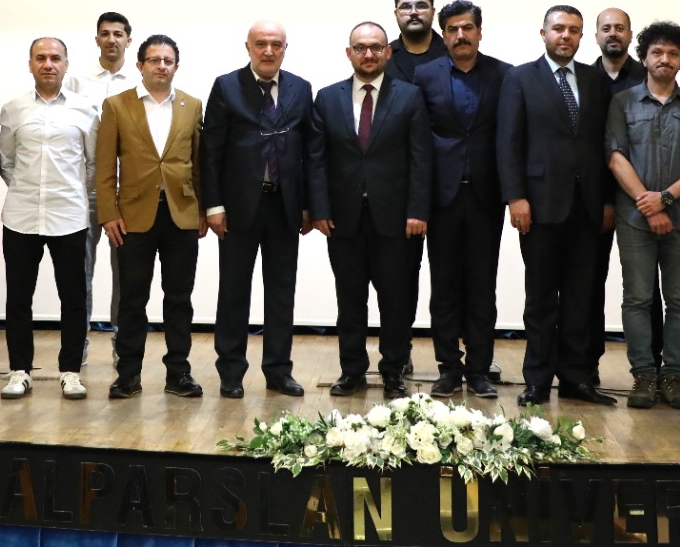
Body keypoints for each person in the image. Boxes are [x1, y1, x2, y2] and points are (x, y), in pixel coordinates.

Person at [497, 5, 615, 406]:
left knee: (582, 298)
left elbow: (604, 144)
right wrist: (516, 197)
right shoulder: (520, 78)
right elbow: (508, 142)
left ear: (582, 37)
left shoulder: (595, 80)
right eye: (559, 29)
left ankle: (576, 379)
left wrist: (608, 200)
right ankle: (537, 380)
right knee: (542, 298)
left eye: (574, 30)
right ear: (543, 33)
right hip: (540, 205)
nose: (566, 36)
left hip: (588, 208)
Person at [308, 22, 431, 399]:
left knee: (395, 300)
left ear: (388, 52)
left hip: (396, 219)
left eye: (376, 47)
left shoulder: (409, 96)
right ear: (349, 53)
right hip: (343, 219)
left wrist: (418, 210)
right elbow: (316, 160)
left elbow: (421, 158)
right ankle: (352, 370)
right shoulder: (327, 98)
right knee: (349, 299)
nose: (369, 54)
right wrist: (319, 209)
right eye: (360, 48)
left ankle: (393, 371)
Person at [201, 20, 314, 398]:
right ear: (248, 47)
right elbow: (211, 151)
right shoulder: (226, 86)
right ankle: (231, 372)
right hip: (237, 209)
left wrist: (307, 205)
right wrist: (213, 205)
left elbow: (309, 152)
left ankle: (279, 371)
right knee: (234, 292)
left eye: (276, 44)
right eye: (261, 44)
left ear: (285, 48)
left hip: (285, 207)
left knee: (281, 293)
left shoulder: (301, 88)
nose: (268, 51)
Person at [605, 22, 680, 410]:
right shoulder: (622, 103)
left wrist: (665, 199)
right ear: (644, 58)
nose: (664, 59)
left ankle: (674, 376)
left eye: (672, 54)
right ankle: (644, 375)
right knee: (637, 299)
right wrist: (647, 204)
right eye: (657, 52)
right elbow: (615, 158)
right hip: (634, 220)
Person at [96, 34, 205, 399]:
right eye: (154, 60)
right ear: (140, 65)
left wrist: (202, 210)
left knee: (179, 299)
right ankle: (128, 375)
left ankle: (179, 374)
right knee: (132, 299)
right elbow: (105, 166)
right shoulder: (116, 105)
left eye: (168, 60)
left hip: (181, 215)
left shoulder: (192, 105)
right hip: (131, 217)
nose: (161, 66)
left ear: (176, 66)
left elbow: (199, 163)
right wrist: (108, 213)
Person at [411, 0, 510, 399]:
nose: (460, 35)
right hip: (443, 197)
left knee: (483, 287)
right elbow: (418, 142)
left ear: (479, 32)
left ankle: (480, 369)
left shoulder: (503, 74)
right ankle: (449, 368)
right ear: (444, 34)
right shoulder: (425, 75)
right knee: (445, 287)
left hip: (487, 196)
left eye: (467, 28)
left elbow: (509, 137)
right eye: (452, 29)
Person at [0, 37, 98, 400]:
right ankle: (19, 371)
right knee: (18, 298)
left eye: (56, 58)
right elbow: (6, 161)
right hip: (21, 215)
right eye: (40, 57)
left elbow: (92, 164)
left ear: (66, 64)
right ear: (30, 64)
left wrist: (70, 191)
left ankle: (70, 371)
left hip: (69, 215)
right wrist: (26, 188)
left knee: (73, 298)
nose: (48, 64)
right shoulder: (13, 109)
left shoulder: (86, 110)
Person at [589, 7, 655, 386]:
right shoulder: (584, 79)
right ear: (596, 36)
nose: (612, 33)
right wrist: (604, 201)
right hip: (595, 201)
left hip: (643, 199)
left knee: (645, 288)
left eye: (619, 28)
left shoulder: (649, 76)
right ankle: (588, 364)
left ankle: (652, 367)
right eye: (606, 28)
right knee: (589, 284)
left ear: (631, 35)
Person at [67, 11, 136, 358]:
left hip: (128, 191)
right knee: (81, 271)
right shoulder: (76, 82)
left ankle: (121, 344)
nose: (111, 40)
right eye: (105, 34)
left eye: (118, 34)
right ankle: (77, 343)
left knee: (127, 273)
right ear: (97, 39)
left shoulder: (138, 84)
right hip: (86, 190)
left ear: (128, 40)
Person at [388, 0, 449, 83]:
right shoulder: (384, 56)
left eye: (421, 6)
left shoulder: (452, 52)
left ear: (433, 12)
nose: (413, 12)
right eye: (406, 7)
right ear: (396, 13)